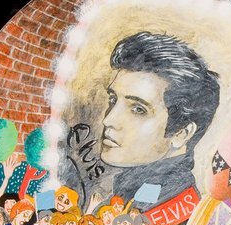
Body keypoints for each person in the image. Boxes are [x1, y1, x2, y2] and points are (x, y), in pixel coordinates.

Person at [71, 31, 221, 210]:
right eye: (112, 99)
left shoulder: (158, 208)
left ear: (181, 134)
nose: (108, 120)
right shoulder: (135, 195)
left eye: (138, 109)